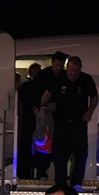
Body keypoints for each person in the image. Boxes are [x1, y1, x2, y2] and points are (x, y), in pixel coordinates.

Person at [36, 56, 98, 190]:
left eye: (76, 71)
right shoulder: (60, 79)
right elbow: (47, 93)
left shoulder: (86, 79)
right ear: (67, 68)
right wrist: (42, 106)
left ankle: (76, 182)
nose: (73, 74)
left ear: (80, 69)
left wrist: (90, 111)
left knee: (81, 153)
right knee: (60, 154)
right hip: (61, 123)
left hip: (79, 122)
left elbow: (94, 96)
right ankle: (61, 183)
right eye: (71, 71)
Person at [27, 51, 68, 180]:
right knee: (42, 143)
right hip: (44, 113)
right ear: (52, 63)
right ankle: (41, 172)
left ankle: (58, 174)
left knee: (59, 144)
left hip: (59, 115)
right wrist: (35, 108)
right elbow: (33, 94)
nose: (59, 68)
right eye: (57, 65)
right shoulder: (42, 76)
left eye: (61, 65)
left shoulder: (65, 76)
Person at [17, 62, 43, 179]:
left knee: (28, 149)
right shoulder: (29, 87)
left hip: (28, 124)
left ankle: (27, 173)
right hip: (29, 124)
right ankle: (29, 174)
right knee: (29, 149)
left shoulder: (25, 87)